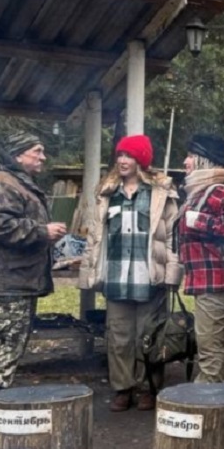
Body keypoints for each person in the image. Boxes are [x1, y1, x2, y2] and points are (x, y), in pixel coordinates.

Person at [0, 130, 66, 434]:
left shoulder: (16, 182)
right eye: (37, 151)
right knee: (1, 346)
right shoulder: (1, 183)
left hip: (16, 279)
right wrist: (42, 231)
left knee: (9, 345)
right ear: (17, 154)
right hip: (6, 281)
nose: (42, 157)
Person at [79, 134, 181, 412]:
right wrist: (89, 271)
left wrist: (172, 273)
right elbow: (94, 237)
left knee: (148, 337)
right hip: (116, 276)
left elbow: (173, 237)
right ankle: (123, 388)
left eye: (130, 156)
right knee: (118, 337)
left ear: (141, 161)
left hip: (149, 277)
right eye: (120, 155)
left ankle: (148, 388)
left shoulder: (160, 194)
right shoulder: (107, 193)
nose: (123, 160)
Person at [178, 133, 224, 384]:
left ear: (204, 160)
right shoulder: (202, 191)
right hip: (210, 280)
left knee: (210, 348)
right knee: (221, 344)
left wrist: (199, 221)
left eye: (190, 156)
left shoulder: (218, 189)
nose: (185, 162)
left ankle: (208, 396)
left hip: (216, 281)